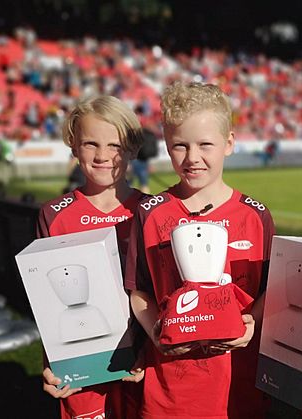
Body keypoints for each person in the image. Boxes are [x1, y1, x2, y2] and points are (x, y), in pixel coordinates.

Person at [125, 81, 275, 419]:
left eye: (205, 144)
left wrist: (251, 322)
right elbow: (139, 292)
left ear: (229, 144)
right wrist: (157, 335)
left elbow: (269, 290)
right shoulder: (150, 213)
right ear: (166, 145)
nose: (193, 158)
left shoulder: (256, 215)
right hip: (170, 395)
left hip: (238, 388)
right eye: (180, 145)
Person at [36, 95, 147, 419]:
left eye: (114, 145)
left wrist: (148, 351)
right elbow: (47, 300)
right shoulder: (54, 215)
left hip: (145, 364)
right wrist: (51, 361)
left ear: (132, 149)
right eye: (90, 144)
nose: (102, 156)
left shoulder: (154, 211)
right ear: (73, 147)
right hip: (83, 368)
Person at [130, 127, 158, 193]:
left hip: (134, 160)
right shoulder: (148, 134)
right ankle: (145, 199)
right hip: (144, 160)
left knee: (128, 183)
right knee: (144, 183)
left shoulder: (135, 135)